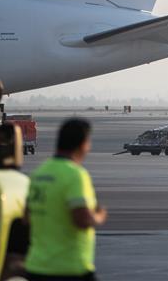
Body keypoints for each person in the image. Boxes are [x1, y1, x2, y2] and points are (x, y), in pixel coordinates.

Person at [25, 118, 107, 281]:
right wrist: (99, 215)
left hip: (36, 267)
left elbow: (26, 218)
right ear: (82, 144)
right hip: (68, 268)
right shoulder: (75, 174)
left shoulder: (39, 173)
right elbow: (82, 219)